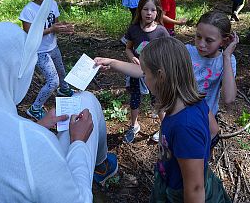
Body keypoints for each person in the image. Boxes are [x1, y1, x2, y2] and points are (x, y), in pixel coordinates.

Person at [0, 0, 118, 202]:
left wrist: (39, 125)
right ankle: (101, 165)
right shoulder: (33, 144)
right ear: (17, 73)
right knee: (87, 100)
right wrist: (78, 143)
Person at [95, 37, 230, 202]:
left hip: (179, 193)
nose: (143, 77)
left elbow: (194, 189)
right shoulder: (194, 100)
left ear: (160, 76)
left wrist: (192, 157)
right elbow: (214, 131)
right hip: (171, 177)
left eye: (145, 74)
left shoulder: (184, 127)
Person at [19, 0, 74, 120]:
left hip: (53, 47)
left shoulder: (53, 4)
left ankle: (64, 90)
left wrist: (65, 27)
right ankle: (35, 108)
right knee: (53, 81)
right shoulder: (29, 10)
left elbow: (55, 23)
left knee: (62, 73)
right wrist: (51, 30)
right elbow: (29, 34)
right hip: (39, 51)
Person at [123, 0, 170, 143]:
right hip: (136, 71)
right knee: (135, 97)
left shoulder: (161, 31)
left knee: (157, 99)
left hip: (155, 73)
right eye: (145, 9)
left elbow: (168, 51)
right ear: (139, 10)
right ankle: (134, 125)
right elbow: (128, 48)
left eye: (153, 10)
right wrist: (132, 58)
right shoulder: (134, 29)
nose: (149, 13)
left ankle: (165, 127)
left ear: (158, 12)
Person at [186, 11, 237, 148]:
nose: (201, 44)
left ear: (223, 41)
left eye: (209, 40)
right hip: (182, 116)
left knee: (200, 160)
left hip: (206, 120)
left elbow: (229, 98)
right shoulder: (187, 52)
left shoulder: (227, 61)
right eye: (198, 37)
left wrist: (226, 56)